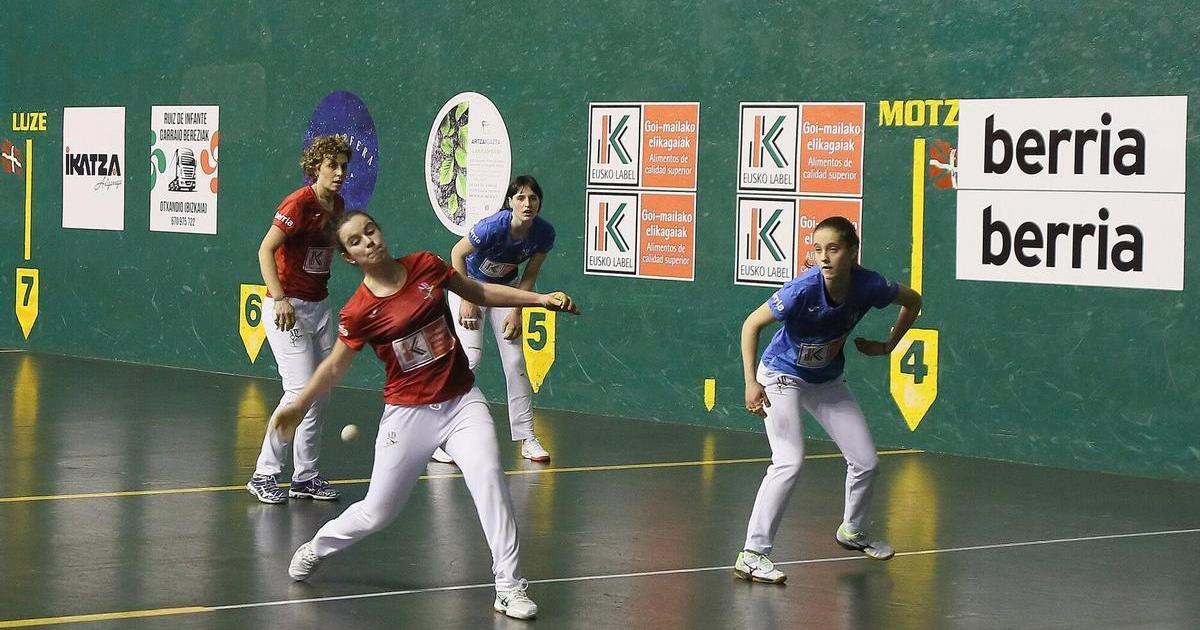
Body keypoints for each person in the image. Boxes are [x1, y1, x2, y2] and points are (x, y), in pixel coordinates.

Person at [273, 211, 580, 620]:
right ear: (348, 257)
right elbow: (333, 367)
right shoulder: (358, 311)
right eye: (356, 241)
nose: (369, 241)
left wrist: (539, 300)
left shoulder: (426, 265)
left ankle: (508, 586)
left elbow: (479, 291)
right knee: (377, 512)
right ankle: (318, 546)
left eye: (371, 231)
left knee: (490, 479)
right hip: (408, 415)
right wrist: (298, 405)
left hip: (462, 401)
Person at [733, 216, 922, 584]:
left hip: (826, 380)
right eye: (818, 249)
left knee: (866, 462)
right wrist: (750, 382)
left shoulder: (870, 285)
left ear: (852, 252)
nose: (823, 257)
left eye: (833, 249)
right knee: (788, 461)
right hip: (781, 375)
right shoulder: (801, 290)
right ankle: (752, 554)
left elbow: (913, 301)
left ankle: (852, 530)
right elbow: (751, 324)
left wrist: (888, 345)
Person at [246, 135, 350, 504]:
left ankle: (305, 477)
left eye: (343, 166)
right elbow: (266, 249)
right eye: (332, 166)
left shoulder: (338, 205)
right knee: (299, 390)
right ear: (316, 167)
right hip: (287, 309)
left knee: (319, 393)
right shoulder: (298, 203)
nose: (339, 173)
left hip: (320, 307)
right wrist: (279, 298)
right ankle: (264, 473)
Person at [436, 175, 556, 464]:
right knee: (469, 359)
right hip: (470, 286)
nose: (527, 204)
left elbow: (530, 274)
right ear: (510, 202)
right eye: (521, 198)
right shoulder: (492, 227)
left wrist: (517, 310)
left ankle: (528, 438)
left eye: (533, 198)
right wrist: (466, 298)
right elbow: (457, 253)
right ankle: (437, 436)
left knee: (515, 362)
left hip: (506, 291)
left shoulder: (544, 233)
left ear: (539, 203)